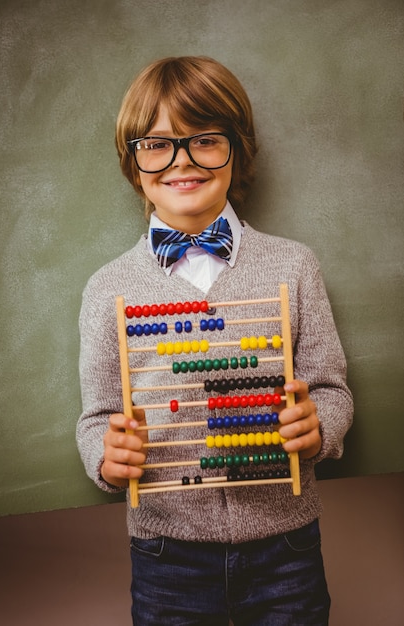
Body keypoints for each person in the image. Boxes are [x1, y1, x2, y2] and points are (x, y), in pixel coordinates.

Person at [76, 56, 353, 625]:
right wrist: (105, 458)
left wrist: (318, 425)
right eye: (156, 144)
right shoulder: (109, 290)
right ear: (133, 164)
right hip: (166, 553)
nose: (182, 161)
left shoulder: (293, 267)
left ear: (238, 149)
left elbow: (332, 390)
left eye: (204, 139)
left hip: (287, 546)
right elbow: (96, 417)